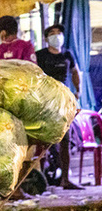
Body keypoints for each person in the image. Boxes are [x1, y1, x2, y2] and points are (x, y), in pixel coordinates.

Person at [36, 23, 84, 190]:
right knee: (43, 140)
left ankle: (65, 179)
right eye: (52, 33)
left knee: (65, 139)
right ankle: (42, 179)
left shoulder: (67, 54)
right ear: (46, 38)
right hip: (46, 101)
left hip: (63, 101)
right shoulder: (40, 55)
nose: (56, 35)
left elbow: (75, 72)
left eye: (58, 32)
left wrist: (78, 91)